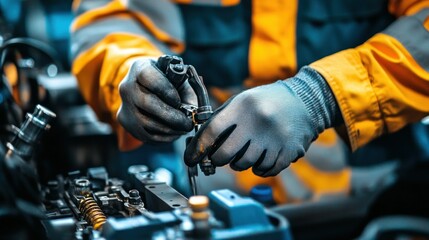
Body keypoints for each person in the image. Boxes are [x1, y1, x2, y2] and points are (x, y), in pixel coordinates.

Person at [71, 0, 429, 201]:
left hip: (369, 195)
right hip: (214, 196)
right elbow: (113, 17)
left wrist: (323, 96)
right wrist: (126, 70)